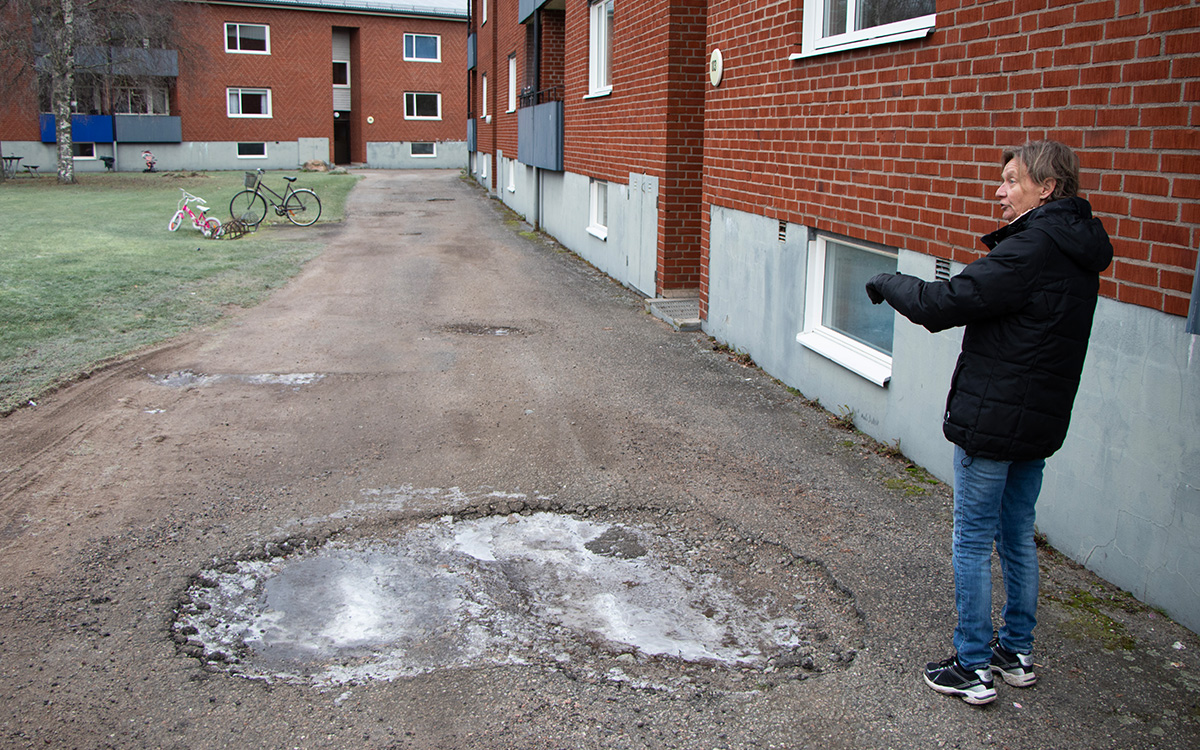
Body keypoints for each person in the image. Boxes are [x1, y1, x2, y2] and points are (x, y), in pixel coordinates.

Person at [864, 140, 1113, 705]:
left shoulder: (1031, 248)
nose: (999, 192)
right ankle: (1015, 652)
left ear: (1046, 189)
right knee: (1017, 533)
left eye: (1010, 181)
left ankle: (972, 665)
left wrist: (888, 280)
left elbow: (944, 302)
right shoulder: (1078, 248)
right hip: (1038, 421)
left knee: (973, 538)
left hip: (995, 419)